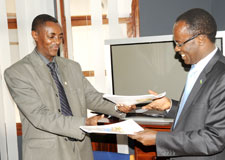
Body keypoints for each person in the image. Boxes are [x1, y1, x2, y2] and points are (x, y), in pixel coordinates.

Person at [4, 14, 134, 160]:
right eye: (51, 36)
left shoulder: (72, 67)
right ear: (35, 35)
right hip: (46, 154)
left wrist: (120, 106)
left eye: (60, 37)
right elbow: (40, 116)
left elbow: (91, 97)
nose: (57, 42)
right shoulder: (17, 73)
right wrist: (84, 123)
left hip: (81, 151)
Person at [129, 8, 225, 160]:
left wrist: (158, 138)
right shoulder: (197, 68)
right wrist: (170, 106)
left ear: (201, 39)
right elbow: (199, 113)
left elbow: (213, 139)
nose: (177, 49)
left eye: (179, 43)